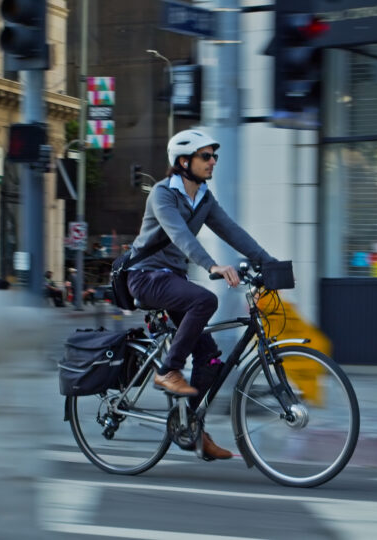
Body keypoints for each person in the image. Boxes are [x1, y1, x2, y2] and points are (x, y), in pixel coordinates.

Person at [125, 129, 276, 460]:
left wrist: (268, 261)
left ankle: (190, 427)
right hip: (145, 277)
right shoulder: (162, 195)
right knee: (205, 299)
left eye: (214, 156)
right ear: (183, 162)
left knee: (210, 360)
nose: (212, 162)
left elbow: (232, 231)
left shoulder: (204, 198)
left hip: (172, 281)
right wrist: (212, 266)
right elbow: (181, 237)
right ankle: (168, 371)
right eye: (205, 156)